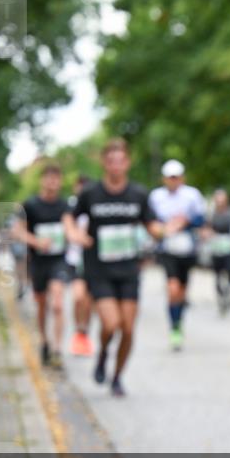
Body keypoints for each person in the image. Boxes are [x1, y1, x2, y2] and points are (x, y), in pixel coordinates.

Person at [64, 139, 163, 397]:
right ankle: (103, 353)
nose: (116, 166)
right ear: (104, 164)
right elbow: (69, 218)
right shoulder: (91, 193)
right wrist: (74, 234)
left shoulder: (138, 194)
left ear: (127, 163)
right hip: (99, 270)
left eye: (121, 161)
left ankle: (117, 376)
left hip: (129, 269)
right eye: (111, 161)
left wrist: (165, 230)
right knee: (111, 323)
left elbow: (151, 225)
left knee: (128, 329)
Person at [16, 164, 71, 368]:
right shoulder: (30, 205)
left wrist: (72, 234)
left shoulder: (65, 206)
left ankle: (57, 349)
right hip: (38, 261)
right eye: (49, 179)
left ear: (60, 182)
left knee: (57, 303)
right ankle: (44, 342)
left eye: (56, 179)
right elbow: (19, 232)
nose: (52, 183)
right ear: (42, 181)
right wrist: (37, 241)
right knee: (41, 305)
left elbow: (69, 226)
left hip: (59, 260)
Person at [149, 160, 208, 350]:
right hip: (167, 248)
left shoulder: (192, 195)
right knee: (172, 288)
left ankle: (178, 320)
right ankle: (174, 327)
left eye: (176, 177)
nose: (173, 181)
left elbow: (201, 218)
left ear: (182, 178)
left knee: (182, 291)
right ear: (164, 179)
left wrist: (186, 221)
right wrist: (164, 227)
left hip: (187, 248)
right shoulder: (156, 197)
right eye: (169, 178)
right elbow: (150, 220)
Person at [66, 175, 95, 357]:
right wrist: (77, 235)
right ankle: (78, 331)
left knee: (88, 301)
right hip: (75, 258)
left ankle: (85, 333)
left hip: (92, 261)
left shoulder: (95, 206)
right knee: (78, 298)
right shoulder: (71, 207)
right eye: (80, 186)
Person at [205, 189, 230, 315]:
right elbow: (207, 229)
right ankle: (221, 296)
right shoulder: (212, 214)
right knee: (217, 274)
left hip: (229, 246)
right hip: (216, 247)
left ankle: (229, 292)